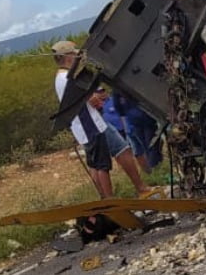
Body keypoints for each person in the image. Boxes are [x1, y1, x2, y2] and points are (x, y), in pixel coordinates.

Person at [51, 41, 150, 198]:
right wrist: (98, 96)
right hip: (92, 125)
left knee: (97, 162)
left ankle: (109, 197)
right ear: (68, 57)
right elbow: (91, 100)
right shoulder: (68, 78)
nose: (77, 56)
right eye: (74, 54)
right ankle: (118, 197)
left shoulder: (60, 77)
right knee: (107, 161)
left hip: (88, 125)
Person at [102, 90, 162, 173]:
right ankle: (155, 168)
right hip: (140, 120)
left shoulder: (119, 90)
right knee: (148, 145)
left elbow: (118, 107)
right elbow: (118, 107)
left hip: (139, 120)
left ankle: (155, 167)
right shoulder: (120, 91)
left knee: (147, 145)